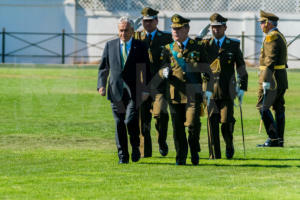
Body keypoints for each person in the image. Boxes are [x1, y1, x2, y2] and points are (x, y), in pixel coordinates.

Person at [159, 14, 214, 165]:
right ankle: (181, 157)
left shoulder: (197, 47)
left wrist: (208, 90)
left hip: (193, 93)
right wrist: (163, 72)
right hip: (175, 94)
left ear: (187, 29)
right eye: (173, 29)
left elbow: (207, 71)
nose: (175, 31)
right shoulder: (167, 49)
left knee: (192, 125)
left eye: (178, 29)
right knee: (177, 128)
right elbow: (161, 67)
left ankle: (194, 150)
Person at [97, 16, 150, 164]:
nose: (123, 33)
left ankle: (135, 147)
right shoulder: (110, 45)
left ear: (132, 31)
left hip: (134, 92)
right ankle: (123, 156)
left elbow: (145, 70)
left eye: (126, 30)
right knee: (119, 123)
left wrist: (145, 89)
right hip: (115, 91)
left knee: (130, 121)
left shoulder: (140, 46)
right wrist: (101, 84)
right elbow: (104, 68)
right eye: (121, 30)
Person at [200, 13, 248, 159]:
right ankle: (214, 153)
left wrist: (242, 87)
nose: (216, 30)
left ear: (224, 27)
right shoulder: (205, 45)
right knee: (212, 122)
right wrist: (198, 37)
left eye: (219, 27)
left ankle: (229, 144)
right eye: (213, 27)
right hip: (209, 91)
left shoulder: (233, 45)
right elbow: (191, 51)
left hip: (227, 91)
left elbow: (241, 67)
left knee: (226, 122)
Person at [134, 7, 173, 158]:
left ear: (156, 21)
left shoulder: (166, 38)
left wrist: (166, 70)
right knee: (143, 119)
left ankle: (162, 140)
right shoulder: (136, 37)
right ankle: (146, 151)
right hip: (142, 84)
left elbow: (171, 58)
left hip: (160, 85)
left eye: (150, 21)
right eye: (145, 21)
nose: (148, 24)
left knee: (161, 114)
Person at [256, 10, 288, 147]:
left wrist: (265, 80)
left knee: (262, 106)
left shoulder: (271, 37)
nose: (261, 25)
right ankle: (279, 139)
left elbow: (270, 61)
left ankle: (273, 138)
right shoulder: (278, 35)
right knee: (279, 108)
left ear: (268, 23)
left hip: (272, 79)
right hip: (280, 78)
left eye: (262, 23)